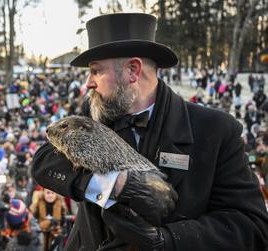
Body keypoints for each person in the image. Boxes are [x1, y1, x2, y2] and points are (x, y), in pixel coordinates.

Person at [31, 13, 268, 250]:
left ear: (132, 70)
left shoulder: (216, 130)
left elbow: (250, 226)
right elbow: (43, 162)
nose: (88, 82)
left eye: (96, 71)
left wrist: (166, 240)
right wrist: (115, 184)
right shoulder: (93, 112)